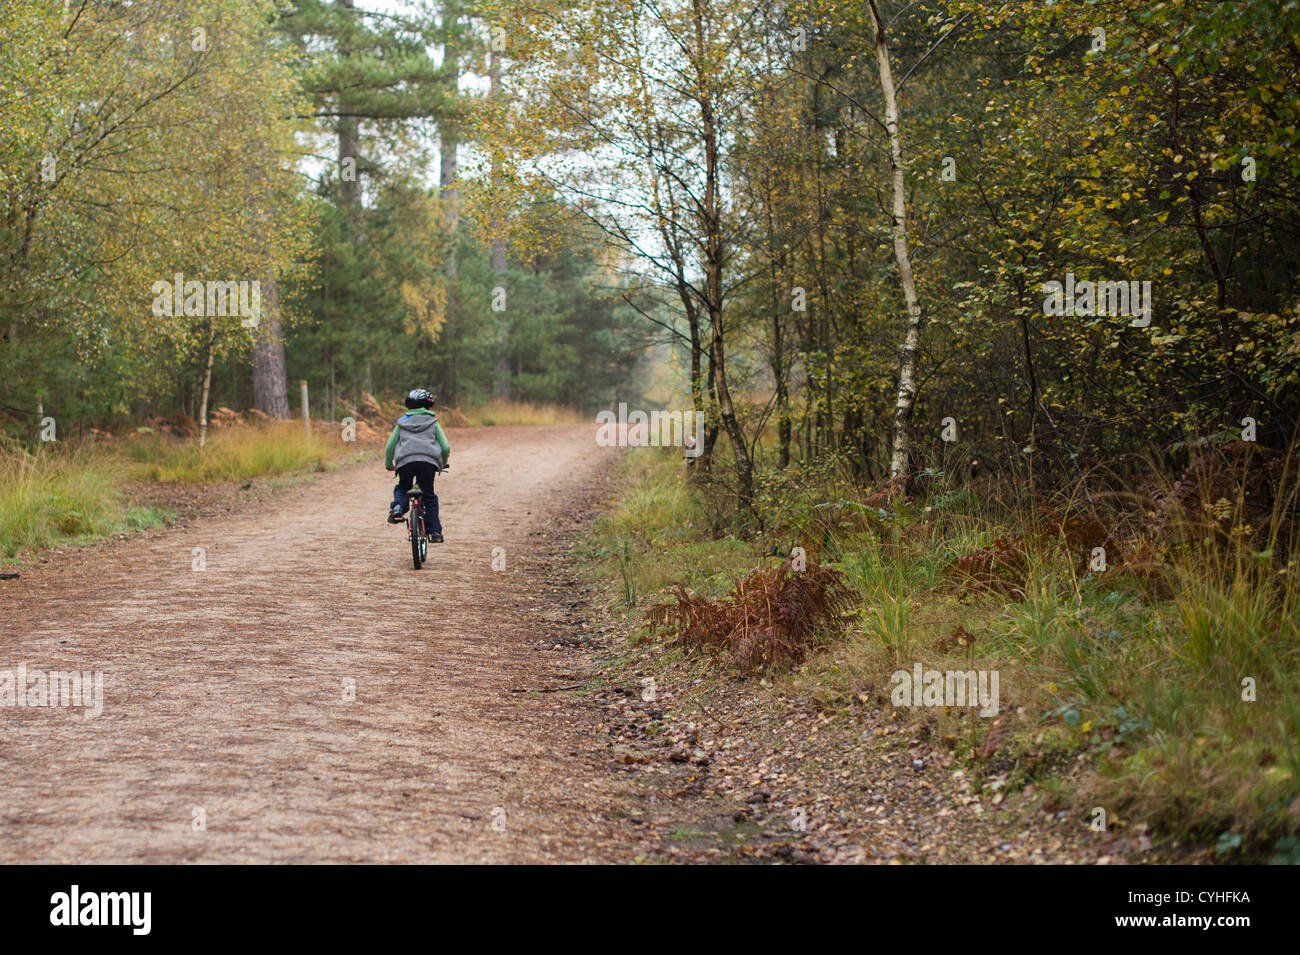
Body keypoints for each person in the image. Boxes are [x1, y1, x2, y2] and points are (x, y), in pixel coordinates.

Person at [385, 388, 450, 542]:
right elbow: (445, 447)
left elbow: (390, 447)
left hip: (405, 461)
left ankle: (399, 507)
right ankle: (434, 532)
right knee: (428, 495)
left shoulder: (401, 423)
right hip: (428, 462)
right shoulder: (433, 423)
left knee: (403, 487)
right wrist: (443, 462)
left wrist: (389, 463)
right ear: (428, 406)